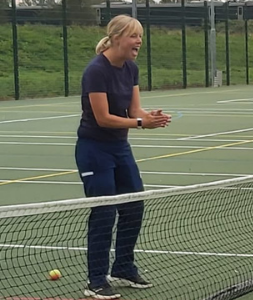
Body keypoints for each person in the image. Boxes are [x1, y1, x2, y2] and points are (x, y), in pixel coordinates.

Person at [75, 14, 171, 299]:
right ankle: (96, 280)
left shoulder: (131, 68)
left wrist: (148, 115)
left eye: (140, 36)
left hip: (120, 148)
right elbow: (103, 118)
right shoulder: (96, 71)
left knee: (133, 206)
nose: (138, 41)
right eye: (133, 35)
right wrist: (141, 124)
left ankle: (123, 267)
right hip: (94, 149)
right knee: (104, 212)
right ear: (116, 37)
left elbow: (134, 110)